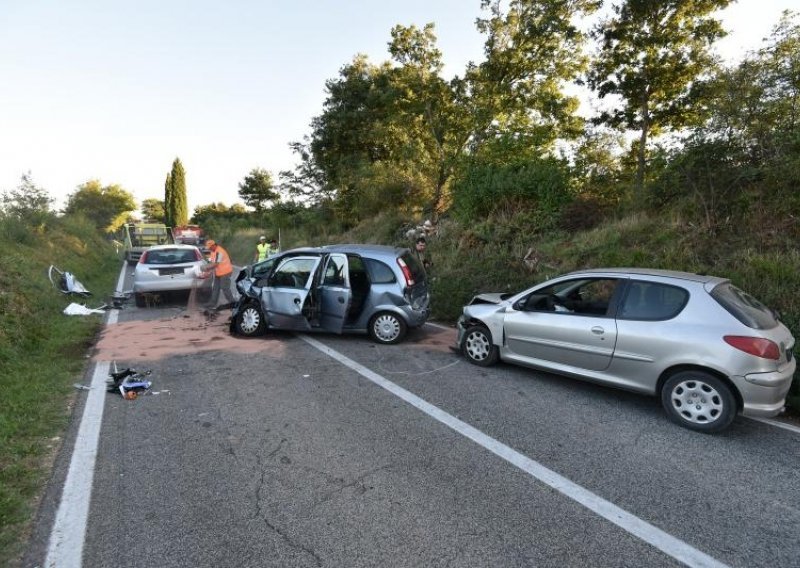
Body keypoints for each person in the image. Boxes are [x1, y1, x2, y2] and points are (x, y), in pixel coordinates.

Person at [204, 239, 236, 308]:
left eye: (210, 247)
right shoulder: (213, 251)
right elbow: (212, 262)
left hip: (225, 272)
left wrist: (206, 268)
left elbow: (216, 264)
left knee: (225, 288)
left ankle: (233, 304)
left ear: (214, 245)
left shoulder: (220, 251)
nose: (209, 249)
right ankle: (212, 303)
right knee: (215, 288)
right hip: (218, 273)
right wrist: (209, 269)